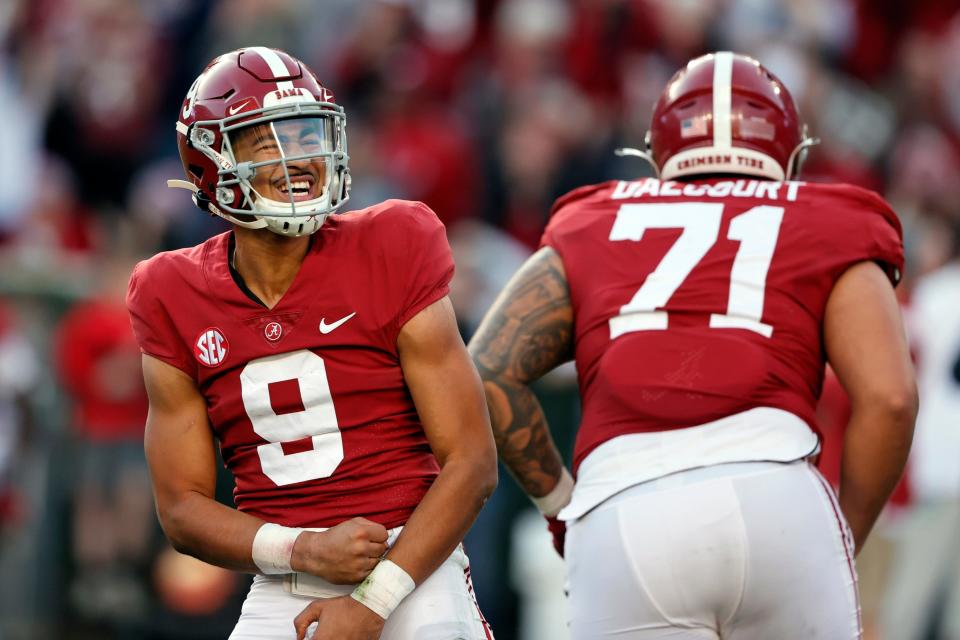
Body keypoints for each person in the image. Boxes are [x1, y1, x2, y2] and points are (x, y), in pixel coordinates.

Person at [469, 51, 917, 639]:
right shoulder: (829, 216)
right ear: (790, 152)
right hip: (777, 497)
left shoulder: (594, 219)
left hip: (626, 509)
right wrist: (845, 533)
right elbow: (890, 398)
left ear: (658, 154)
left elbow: (489, 369)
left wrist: (561, 508)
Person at [126, 47, 497, 640]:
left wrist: (373, 603)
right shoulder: (170, 290)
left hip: (412, 564)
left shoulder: (394, 242)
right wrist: (301, 550)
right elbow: (181, 510)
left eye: (306, 136)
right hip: (284, 575)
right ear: (210, 163)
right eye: (267, 144)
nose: (297, 159)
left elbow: (473, 463)